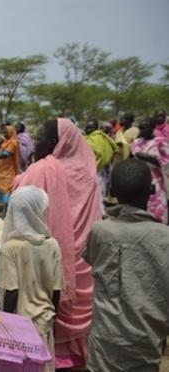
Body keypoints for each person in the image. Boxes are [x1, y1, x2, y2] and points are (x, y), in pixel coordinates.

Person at [13, 118, 101, 370]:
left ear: (54, 143)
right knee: (76, 307)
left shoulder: (43, 170)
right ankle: (77, 356)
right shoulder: (89, 172)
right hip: (84, 261)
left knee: (48, 303)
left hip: (50, 256)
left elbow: (21, 198)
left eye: (39, 138)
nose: (34, 143)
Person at [84, 159, 169, 372]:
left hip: (106, 343)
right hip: (147, 344)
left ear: (112, 191)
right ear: (151, 190)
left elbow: (91, 258)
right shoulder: (165, 238)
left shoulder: (100, 232)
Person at [0, 186, 63, 372]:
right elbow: (56, 292)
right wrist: (54, 319)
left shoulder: (10, 248)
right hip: (44, 320)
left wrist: (5, 324)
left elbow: (11, 291)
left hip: (19, 323)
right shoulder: (52, 245)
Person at [130, 118, 169, 223]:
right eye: (141, 128)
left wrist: (149, 158)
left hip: (155, 178)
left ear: (152, 128)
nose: (142, 130)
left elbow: (167, 163)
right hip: (139, 177)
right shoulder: (137, 142)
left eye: (145, 127)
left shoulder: (160, 142)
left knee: (156, 204)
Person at [85, 121, 117, 205]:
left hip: (95, 170)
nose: (87, 130)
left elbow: (92, 154)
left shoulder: (95, 139)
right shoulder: (104, 138)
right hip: (101, 171)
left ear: (96, 129)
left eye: (90, 128)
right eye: (86, 127)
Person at [0, 124, 21, 208]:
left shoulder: (13, 142)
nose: (4, 134)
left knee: (7, 188)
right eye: (4, 132)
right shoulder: (5, 141)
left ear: (10, 132)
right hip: (2, 169)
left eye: (6, 132)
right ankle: (4, 207)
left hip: (9, 170)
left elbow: (7, 154)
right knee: (2, 188)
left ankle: (7, 209)